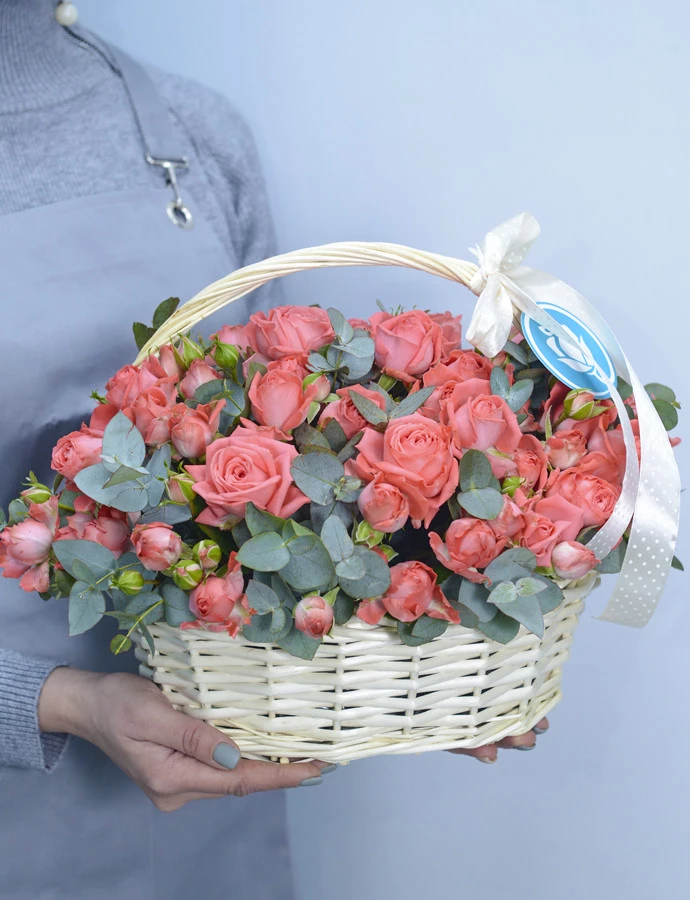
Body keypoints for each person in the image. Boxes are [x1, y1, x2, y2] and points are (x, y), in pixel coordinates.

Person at [0, 2, 546, 898]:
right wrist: (56, 703)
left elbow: (294, 449)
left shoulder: (188, 132)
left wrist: (418, 655)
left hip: (211, 781)